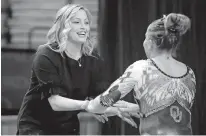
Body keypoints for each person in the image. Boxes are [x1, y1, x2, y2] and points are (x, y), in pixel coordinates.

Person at [16, 4, 135, 135]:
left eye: (86, 22)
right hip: (35, 127)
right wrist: (87, 105)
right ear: (63, 27)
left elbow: (99, 100)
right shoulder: (46, 54)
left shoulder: (92, 60)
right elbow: (55, 102)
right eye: (77, 22)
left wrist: (121, 108)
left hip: (67, 127)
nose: (83, 27)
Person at [85, 13, 196, 135]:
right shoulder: (189, 73)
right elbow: (173, 112)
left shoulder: (142, 68)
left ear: (150, 42)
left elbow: (99, 104)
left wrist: (92, 106)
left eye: (145, 38)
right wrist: (136, 108)